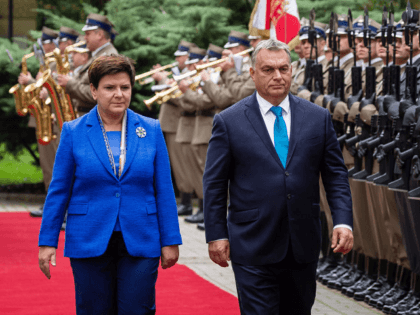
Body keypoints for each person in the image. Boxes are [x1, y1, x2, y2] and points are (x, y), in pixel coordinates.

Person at [203, 39, 354, 314]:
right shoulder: (229, 121)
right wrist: (216, 234)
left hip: (302, 244)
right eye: (268, 69)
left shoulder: (317, 118)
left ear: (292, 70)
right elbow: (214, 184)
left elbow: (335, 175)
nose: (277, 76)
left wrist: (343, 221)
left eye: (283, 69)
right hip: (252, 243)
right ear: (252, 73)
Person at [38, 55, 182, 314]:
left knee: (137, 309)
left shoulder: (150, 129)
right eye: (109, 87)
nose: (119, 94)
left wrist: (170, 239)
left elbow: (164, 189)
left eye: (124, 87)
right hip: (88, 237)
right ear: (93, 91)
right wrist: (47, 241)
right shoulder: (73, 131)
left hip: (141, 238)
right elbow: (59, 190)